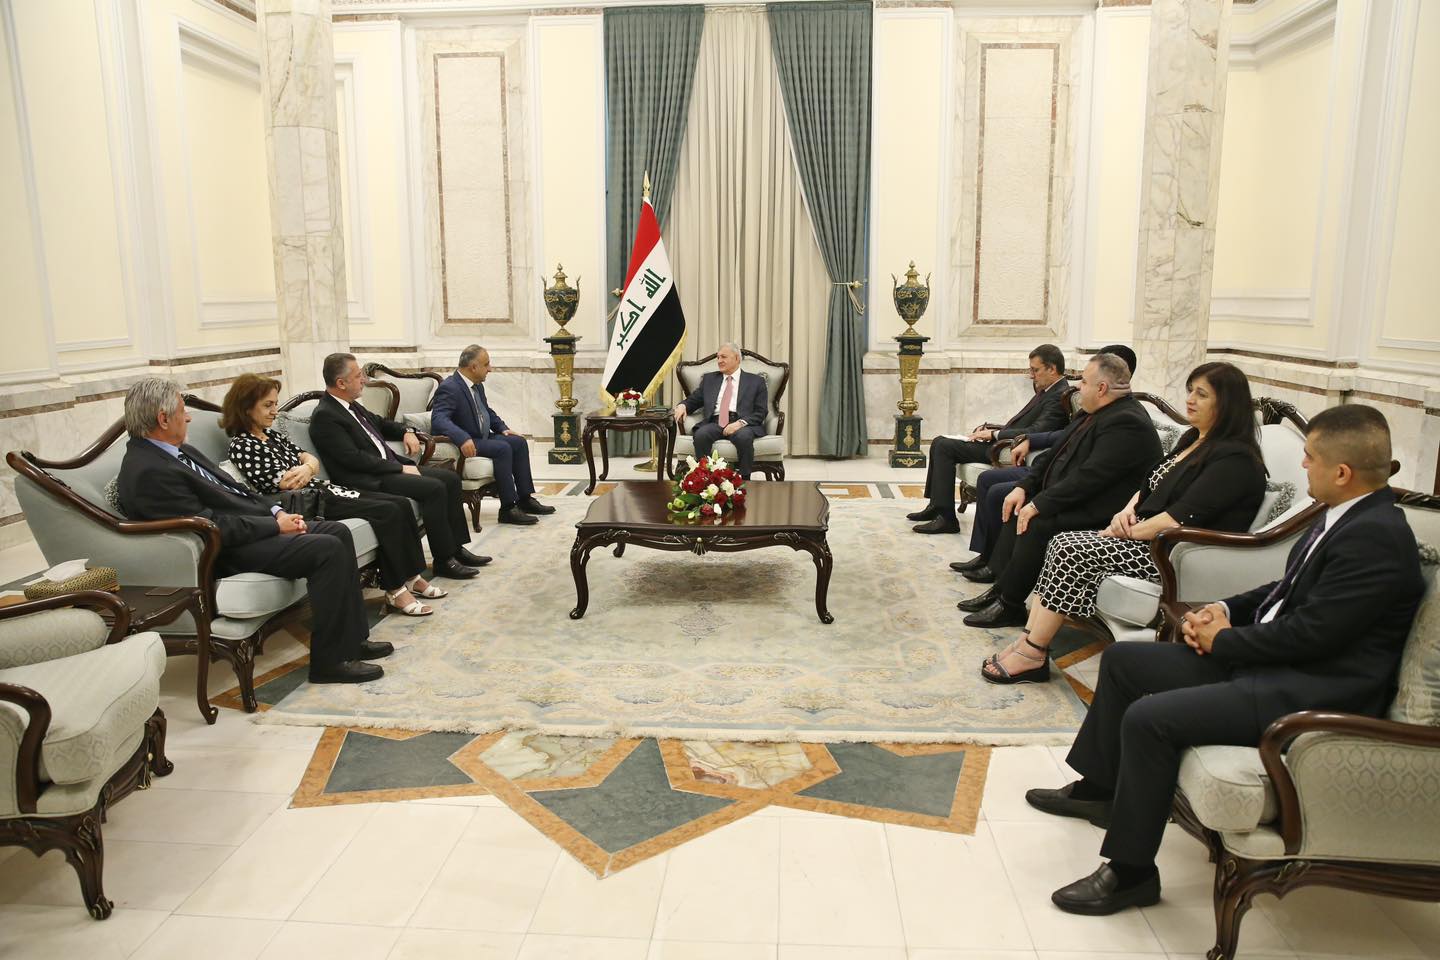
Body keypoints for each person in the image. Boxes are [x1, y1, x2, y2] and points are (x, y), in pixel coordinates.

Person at [1028, 404, 1423, 916]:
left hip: (1311, 689)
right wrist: (1222, 609)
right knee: (1125, 660)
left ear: (1342, 472)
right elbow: (1286, 589)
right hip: (1279, 664)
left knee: (1150, 719)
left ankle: (1131, 873)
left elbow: (1313, 637)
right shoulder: (1345, 513)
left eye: (1310, 457)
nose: (1304, 465)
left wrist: (1223, 642)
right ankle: (1099, 790)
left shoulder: (1377, 539)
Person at [981, 361, 1267, 682]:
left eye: (1201, 394)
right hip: (1145, 537)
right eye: (1190, 391)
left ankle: (1033, 652)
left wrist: (1125, 533)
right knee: (1062, 542)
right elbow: (1149, 484)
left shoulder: (1235, 459)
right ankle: (1028, 643)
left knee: (1069, 548)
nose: (1190, 400)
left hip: (1172, 554)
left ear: (1227, 404)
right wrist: (1126, 512)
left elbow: (1179, 518)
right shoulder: (1193, 439)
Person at [116, 378, 388, 685]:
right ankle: (331, 662)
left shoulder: (179, 451)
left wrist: (277, 512)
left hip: (251, 528)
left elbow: (236, 491)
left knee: (337, 531)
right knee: (327, 548)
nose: (188, 417)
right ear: (163, 419)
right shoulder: (148, 470)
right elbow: (209, 525)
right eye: (182, 411)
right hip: (225, 549)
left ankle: (353, 640)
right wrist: (274, 526)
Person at [958, 352, 1161, 628]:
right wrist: (1023, 487)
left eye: (1084, 382)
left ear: (1102, 388)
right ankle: (1001, 591)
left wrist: (1040, 504)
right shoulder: (1094, 412)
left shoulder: (1127, 421)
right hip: (1084, 498)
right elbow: (1053, 454)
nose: (1078, 387)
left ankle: (1010, 605)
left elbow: (1089, 478)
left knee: (1036, 521)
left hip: (1106, 510)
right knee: (1019, 505)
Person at [222, 374, 446, 617]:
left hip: (324, 489)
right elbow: (286, 482)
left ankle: (412, 577)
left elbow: (308, 458)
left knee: (399, 503)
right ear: (246, 407)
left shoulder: (271, 435)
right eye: (268, 405)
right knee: (387, 511)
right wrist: (308, 468)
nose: (274, 411)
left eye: (275, 404)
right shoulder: (242, 445)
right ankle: (395, 591)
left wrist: (308, 466)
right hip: (308, 502)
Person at [308, 353, 490, 580]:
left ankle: (456, 549)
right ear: (341, 383)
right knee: (433, 488)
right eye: (357, 376)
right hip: (367, 479)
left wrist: (407, 431)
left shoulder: (351, 406)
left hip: (387, 468)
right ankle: (444, 560)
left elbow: (382, 423)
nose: (364, 379)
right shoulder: (325, 416)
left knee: (450, 478)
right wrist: (398, 468)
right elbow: (353, 459)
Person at [909, 344, 1071, 534]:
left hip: (1007, 449)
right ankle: (936, 506)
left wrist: (995, 435)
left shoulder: (1058, 395)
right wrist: (994, 429)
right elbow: (1026, 426)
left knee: (944, 446)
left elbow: (1036, 431)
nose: (1031, 375)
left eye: (1035, 370)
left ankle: (946, 518)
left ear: (1052, 369)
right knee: (939, 442)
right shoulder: (1048, 390)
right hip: (1004, 442)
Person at [430, 344, 554, 526]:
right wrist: (462, 438)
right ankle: (508, 509)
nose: (490, 369)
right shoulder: (450, 387)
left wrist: (503, 428)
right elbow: (439, 419)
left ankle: (525, 499)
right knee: (502, 448)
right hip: (466, 440)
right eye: (486, 364)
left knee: (518, 442)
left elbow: (486, 411)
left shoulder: (477, 386)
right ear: (473, 367)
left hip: (482, 436)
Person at [672, 342, 769, 479]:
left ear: (736, 358)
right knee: (701, 435)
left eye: (723, 357)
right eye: (718, 357)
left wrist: (740, 423)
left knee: (744, 437)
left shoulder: (756, 381)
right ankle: (706, 478)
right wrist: (683, 405)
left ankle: (745, 479)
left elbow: (761, 412)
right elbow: (694, 400)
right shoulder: (709, 379)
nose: (719, 361)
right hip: (715, 422)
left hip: (742, 423)